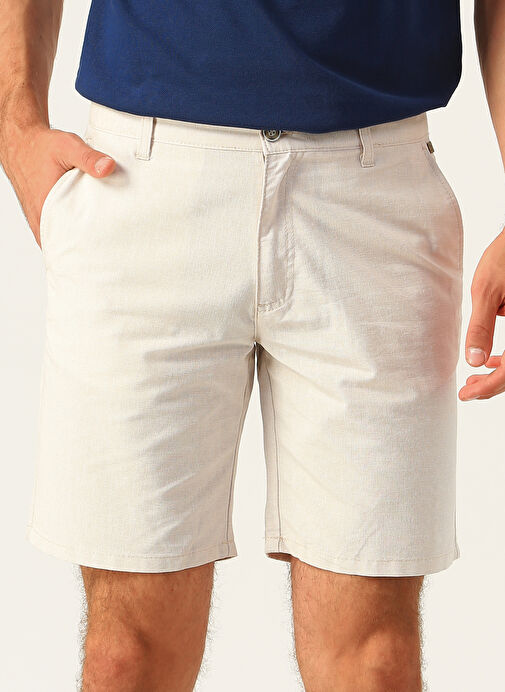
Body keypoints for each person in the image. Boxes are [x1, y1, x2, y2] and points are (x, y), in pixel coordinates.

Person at [1, 1, 504, 690]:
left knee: (376, 665)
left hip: (373, 190)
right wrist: (16, 124)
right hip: (140, 176)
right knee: (124, 659)